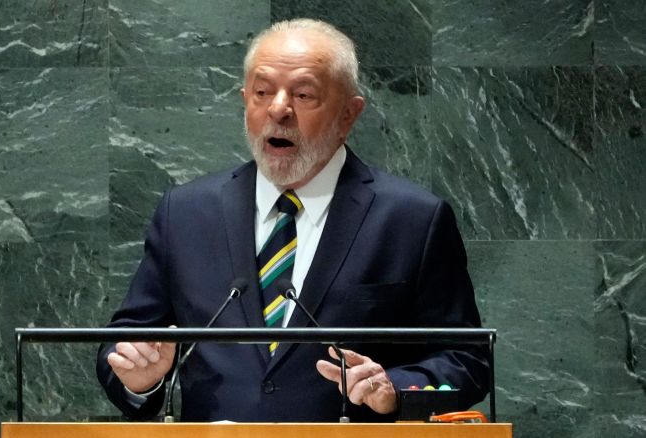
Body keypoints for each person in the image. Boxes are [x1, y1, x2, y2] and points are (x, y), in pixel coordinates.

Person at [97, 18, 489, 422]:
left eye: (303, 95)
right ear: (244, 99)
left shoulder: (412, 219)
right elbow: (123, 343)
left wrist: (393, 388)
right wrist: (139, 377)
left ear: (349, 114)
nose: (278, 109)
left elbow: (467, 359)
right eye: (262, 92)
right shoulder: (185, 212)